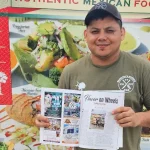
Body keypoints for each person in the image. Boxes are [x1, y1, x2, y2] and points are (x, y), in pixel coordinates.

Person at [35, 2, 150, 150]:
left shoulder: (141, 68)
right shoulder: (70, 72)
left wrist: (137, 118)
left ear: (122, 33)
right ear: (86, 35)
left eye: (110, 30)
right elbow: (58, 121)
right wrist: (44, 122)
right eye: (95, 31)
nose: (102, 37)